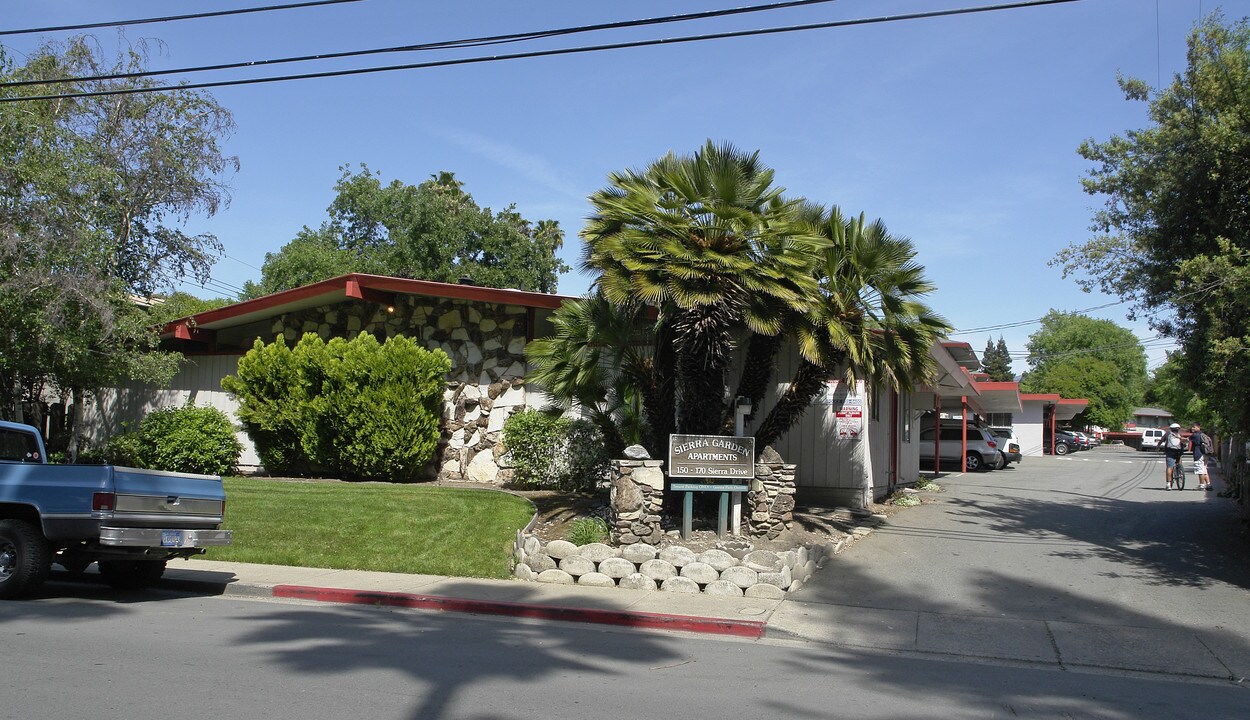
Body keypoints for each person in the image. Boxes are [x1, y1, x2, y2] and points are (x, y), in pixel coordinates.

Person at [1161, 422, 1185, 490]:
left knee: (1169, 467)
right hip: (1178, 452)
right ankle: (1180, 471)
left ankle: (1168, 484)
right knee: (1179, 460)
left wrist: (1158, 446)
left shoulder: (1168, 434)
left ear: (1171, 429)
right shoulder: (1179, 435)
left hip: (1170, 452)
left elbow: (1161, 440)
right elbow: (1183, 442)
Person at [1189, 423, 1213, 491]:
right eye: (1192, 427)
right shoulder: (1203, 435)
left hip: (1199, 454)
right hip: (1205, 454)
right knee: (1204, 469)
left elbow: (1187, 440)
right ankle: (1208, 484)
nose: (1192, 428)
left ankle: (1201, 485)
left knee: (1200, 470)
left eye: (1194, 427)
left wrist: (1179, 438)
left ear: (1198, 427)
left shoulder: (1195, 435)